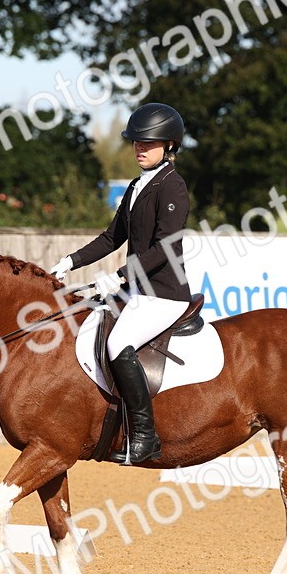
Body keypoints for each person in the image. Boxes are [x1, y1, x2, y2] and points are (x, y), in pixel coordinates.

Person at [49, 103, 191, 465]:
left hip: (163, 293)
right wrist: (70, 261)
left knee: (118, 342)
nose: (140, 148)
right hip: (136, 292)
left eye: (149, 142)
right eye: (136, 142)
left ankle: (145, 436)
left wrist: (120, 276)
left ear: (169, 145)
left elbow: (166, 247)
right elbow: (113, 237)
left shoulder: (172, 186)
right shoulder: (137, 185)